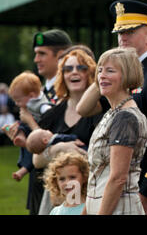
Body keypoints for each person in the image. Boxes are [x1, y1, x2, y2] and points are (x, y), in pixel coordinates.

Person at [77, 0, 147, 215]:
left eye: (130, 31)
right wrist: (104, 73)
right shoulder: (119, 77)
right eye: (120, 31)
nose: (122, 37)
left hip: (137, 187)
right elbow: (83, 109)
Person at [28, 48, 101, 215]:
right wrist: (61, 148)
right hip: (57, 197)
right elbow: (37, 160)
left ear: (90, 72)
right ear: (62, 75)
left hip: (90, 194)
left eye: (81, 68)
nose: (74, 72)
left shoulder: (100, 110)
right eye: (68, 69)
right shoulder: (53, 114)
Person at [83, 47, 147, 215]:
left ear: (127, 75)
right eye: (100, 70)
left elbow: (118, 178)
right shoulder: (114, 112)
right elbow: (97, 177)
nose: (102, 76)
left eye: (110, 71)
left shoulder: (125, 117)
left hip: (119, 209)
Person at [32, 29, 72, 103]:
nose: (36, 60)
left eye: (42, 53)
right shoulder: (44, 91)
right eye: (36, 54)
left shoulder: (70, 91)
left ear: (60, 55)